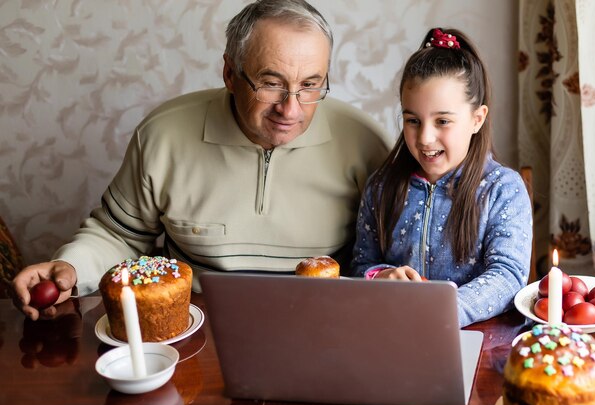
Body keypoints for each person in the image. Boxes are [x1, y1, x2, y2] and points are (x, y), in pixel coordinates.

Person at [11, 0, 390, 320]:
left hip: (319, 323)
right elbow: (119, 235)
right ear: (230, 72)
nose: (290, 108)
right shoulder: (162, 134)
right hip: (194, 324)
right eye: (271, 83)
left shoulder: (365, 142)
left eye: (310, 85)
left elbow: (383, 257)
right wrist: (72, 268)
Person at [351, 28, 533, 327]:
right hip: (395, 334)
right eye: (412, 120)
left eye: (443, 121)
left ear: (477, 119)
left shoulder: (503, 189)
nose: (424, 137)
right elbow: (361, 264)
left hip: (477, 340)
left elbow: (507, 276)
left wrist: (442, 311)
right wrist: (381, 276)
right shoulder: (381, 187)